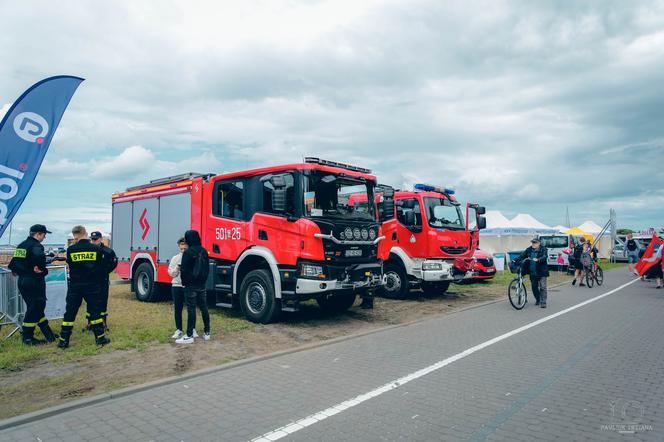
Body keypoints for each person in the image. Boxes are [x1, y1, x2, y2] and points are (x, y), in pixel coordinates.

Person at [58, 225, 109, 349]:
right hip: (92, 285)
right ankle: (100, 338)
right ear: (85, 233)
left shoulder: (71, 250)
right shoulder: (95, 249)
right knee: (95, 312)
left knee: (70, 313)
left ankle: (63, 340)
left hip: (75, 286)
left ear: (74, 235)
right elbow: (100, 266)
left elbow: (70, 265)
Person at [7, 224, 58, 345]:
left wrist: (20, 270)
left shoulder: (22, 245)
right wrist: (43, 270)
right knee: (36, 307)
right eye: (44, 235)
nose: (44, 238)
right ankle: (28, 337)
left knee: (36, 308)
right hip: (34, 281)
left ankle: (48, 334)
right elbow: (40, 261)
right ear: (38, 234)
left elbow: (13, 265)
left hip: (22, 281)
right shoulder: (36, 246)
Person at [176, 230, 211, 344]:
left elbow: (184, 270)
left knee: (191, 309)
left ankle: (189, 335)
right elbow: (207, 269)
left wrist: (184, 283)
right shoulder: (204, 251)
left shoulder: (188, 252)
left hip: (190, 285)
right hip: (202, 284)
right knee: (204, 307)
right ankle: (207, 332)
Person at [90, 231, 118, 330]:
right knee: (91, 301)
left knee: (102, 300)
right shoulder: (89, 250)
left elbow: (114, 263)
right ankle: (90, 323)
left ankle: (103, 322)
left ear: (101, 239)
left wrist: (105, 271)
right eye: (92, 239)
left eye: (96, 239)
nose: (94, 241)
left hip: (102, 279)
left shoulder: (107, 251)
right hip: (91, 280)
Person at [168, 237, 193, 339]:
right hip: (176, 286)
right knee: (178, 309)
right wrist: (177, 268)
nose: (183, 251)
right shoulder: (175, 258)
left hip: (188, 286)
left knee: (191, 309)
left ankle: (192, 329)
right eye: (181, 248)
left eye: (185, 249)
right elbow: (171, 273)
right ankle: (179, 329)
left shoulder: (192, 258)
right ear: (179, 247)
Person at [515, 236, 550, 308]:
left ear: (539, 243)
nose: (533, 244)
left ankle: (543, 302)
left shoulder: (543, 249)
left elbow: (545, 256)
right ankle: (538, 299)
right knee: (534, 287)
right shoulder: (529, 249)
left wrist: (539, 259)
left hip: (542, 271)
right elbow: (522, 256)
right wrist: (515, 260)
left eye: (535, 243)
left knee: (543, 287)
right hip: (532, 272)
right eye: (532, 242)